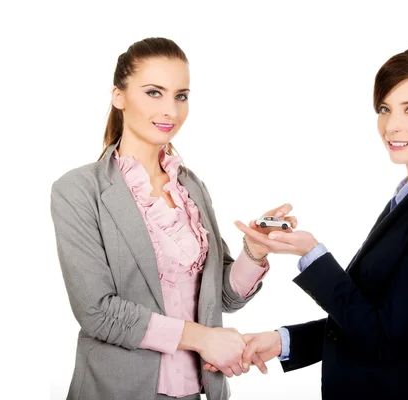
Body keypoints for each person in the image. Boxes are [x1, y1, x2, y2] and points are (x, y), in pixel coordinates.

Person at [209, 46, 408, 399]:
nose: (391, 125)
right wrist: (283, 341)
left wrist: (312, 254)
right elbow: (372, 320)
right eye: (385, 109)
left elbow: (383, 339)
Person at [50, 37, 294, 400]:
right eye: (153, 92)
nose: (171, 110)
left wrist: (254, 253)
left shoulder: (191, 187)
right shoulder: (78, 190)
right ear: (118, 96)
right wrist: (203, 338)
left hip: (200, 391)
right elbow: (96, 311)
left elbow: (221, 297)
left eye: (181, 96)